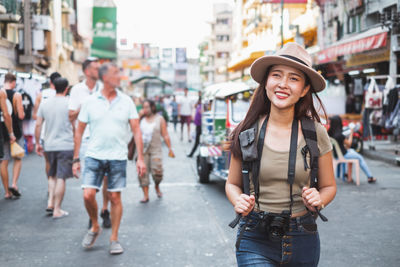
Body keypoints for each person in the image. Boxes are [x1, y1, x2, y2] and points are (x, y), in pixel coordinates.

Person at [225, 42, 337, 266]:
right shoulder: (245, 131)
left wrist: (319, 199)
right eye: (277, 75)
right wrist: (239, 201)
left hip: (303, 237)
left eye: (294, 78)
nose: (283, 84)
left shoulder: (315, 133)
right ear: (266, 81)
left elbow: (329, 187)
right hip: (254, 235)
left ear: (305, 89)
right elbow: (232, 184)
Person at [72, 63, 146, 255]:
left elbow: (136, 130)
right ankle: (95, 225)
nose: (119, 76)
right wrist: (75, 158)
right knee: (88, 194)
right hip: (94, 155)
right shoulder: (90, 101)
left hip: (117, 157)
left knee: (115, 197)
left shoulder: (127, 101)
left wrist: (140, 159)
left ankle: (114, 238)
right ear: (105, 77)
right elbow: (79, 131)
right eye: (115, 74)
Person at [69, 57, 112, 229]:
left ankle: (104, 210)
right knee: (90, 185)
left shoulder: (105, 88)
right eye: (96, 68)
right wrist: (87, 105)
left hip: (105, 140)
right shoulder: (77, 90)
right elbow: (71, 116)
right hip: (87, 142)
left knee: (107, 179)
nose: (99, 71)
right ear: (87, 72)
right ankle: (92, 213)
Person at [35, 77, 74, 218]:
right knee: (61, 177)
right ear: (66, 88)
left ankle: (50, 202)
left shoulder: (45, 103)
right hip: (66, 144)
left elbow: (38, 124)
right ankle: (57, 209)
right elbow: (75, 125)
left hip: (49, 144)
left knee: (51, 175)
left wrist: (38, 143)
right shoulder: (70, 103)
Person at [32, 72, 61, 206]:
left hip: (45, 134)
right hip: (61, 135)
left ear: (50, 82)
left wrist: (37, 141)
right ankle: (57, 191)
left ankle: (50, 187)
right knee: (60, 164)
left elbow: (35, 117)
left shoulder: (41, 95)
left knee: (48, 162)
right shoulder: (63, 96)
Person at [138, 99, 174, 203]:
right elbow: (133, 130)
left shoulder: (160, 119)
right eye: (143, 107)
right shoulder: (140, 119)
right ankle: (145, 195)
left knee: (157, 172)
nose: (145, 109)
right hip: (142, 150)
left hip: (156, 149)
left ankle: (157, 186)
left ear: (152, 108)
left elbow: (165, 134)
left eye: (147, 107)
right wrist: (139, 116)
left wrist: (170, 148)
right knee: (142, 173)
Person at [328, 115, 377, 184]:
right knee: (359, 157)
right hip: (343, 154)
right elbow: (349, 144)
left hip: (336, 155)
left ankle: (348, 177)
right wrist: (351, 132)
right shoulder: (339, 135)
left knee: (352, 152)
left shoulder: (330, 133)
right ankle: (370, 177)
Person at [0, 73, 25, 198]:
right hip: (15, 130)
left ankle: (6, 191)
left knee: (3, 161)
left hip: (1, 131)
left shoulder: (1, 92)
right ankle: (14, 184)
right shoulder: (17, 95)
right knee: (17, 158)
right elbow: (20, 115)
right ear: (14, 82)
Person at [0, 85, 15, 199]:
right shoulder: (1, 92)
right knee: (3, 160)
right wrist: (11, 132)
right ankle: (7, 191)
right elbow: (6, 114)